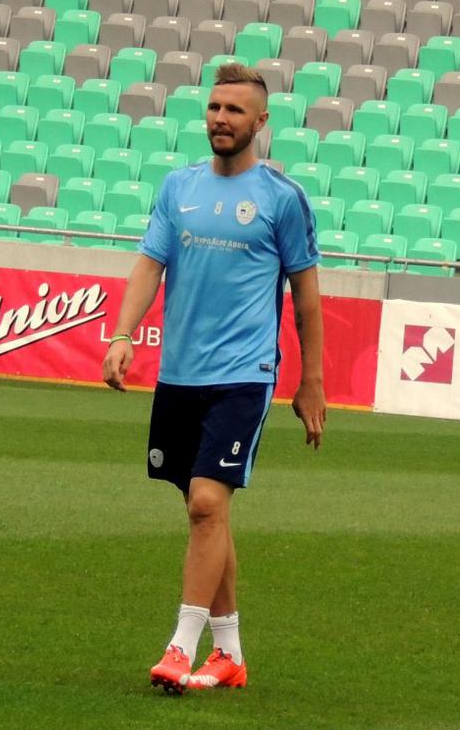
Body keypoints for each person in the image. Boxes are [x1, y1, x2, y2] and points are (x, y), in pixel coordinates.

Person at [102, 63, 326, 694]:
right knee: (206, 514)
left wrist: (311, 380)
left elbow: (307, 299)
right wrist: (122, 334)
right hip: (180, 373)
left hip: (244, 374)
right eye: (214, 108)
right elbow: (150, 264)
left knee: (206, 503)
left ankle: (180, 647)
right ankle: (228, 652)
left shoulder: (282, 198)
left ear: (261, 121)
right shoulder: (178, 187)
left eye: (234, 111)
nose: (221, 119)